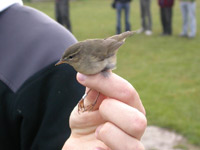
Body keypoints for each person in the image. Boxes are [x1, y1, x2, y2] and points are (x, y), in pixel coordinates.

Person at [0, 0, 147, 150]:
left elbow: (108, 49)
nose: (64, 62)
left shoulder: (56, 50)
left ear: (78, 56)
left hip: (106, 52)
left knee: (99, 83)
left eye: (69, 59)